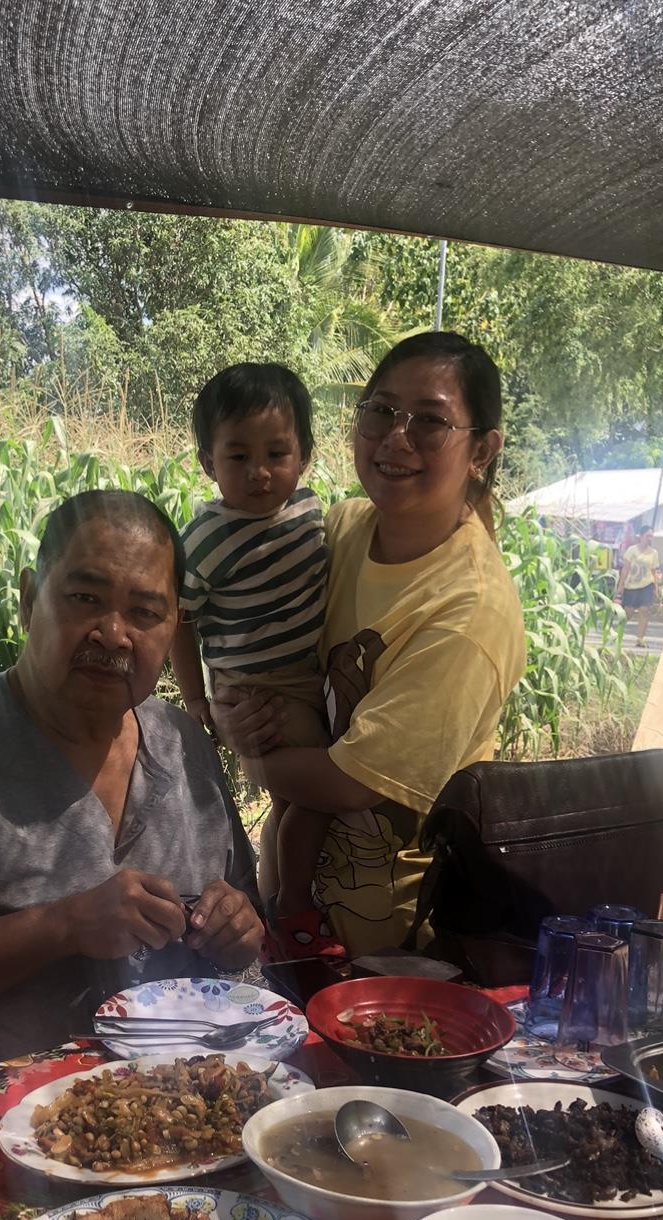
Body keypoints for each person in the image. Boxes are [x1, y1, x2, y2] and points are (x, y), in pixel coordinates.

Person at [0, 489, 264, 1086]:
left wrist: (236, 929)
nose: (113, 634)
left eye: (145, 612)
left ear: (173, 629)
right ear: (29, 598)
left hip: (174, 1107)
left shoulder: (184, 744)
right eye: (85, 598)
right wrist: (64, 927)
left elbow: (243, 909)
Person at [211, 331, 526, 958]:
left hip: (397, 954)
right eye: (381, 410)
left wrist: (239, 753)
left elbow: (351, 783)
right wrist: (227, 712)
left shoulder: (469, 611)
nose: (396, 438)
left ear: (481, 450)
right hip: (296, 929)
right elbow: (249, 634)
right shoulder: (340, 529)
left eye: (430, 421)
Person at [169, 362, 339, 959]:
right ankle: (294, 906)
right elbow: (180, 620)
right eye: (238, 456)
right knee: (318, 795)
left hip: (308, 677)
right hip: (258, 688)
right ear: (207, 463)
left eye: (277, 453)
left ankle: (275, 909)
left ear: (305, 455)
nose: (260, 472)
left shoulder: (311, 511)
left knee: (290, 803)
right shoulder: (206, 538)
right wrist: (199, 699)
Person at [617, 527, 661, 645]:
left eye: (651, 536)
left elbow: (654, 572)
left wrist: (656, 588)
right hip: (631, 586)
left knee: (644, 610)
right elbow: (625, 569)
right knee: (628, 612)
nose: (649, 538)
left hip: (647, 585)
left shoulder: (654, 553)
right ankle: (616, 634)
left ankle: (640, 639)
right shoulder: (632, 550)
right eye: (647, 536)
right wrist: (620, 586)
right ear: (641, 536)